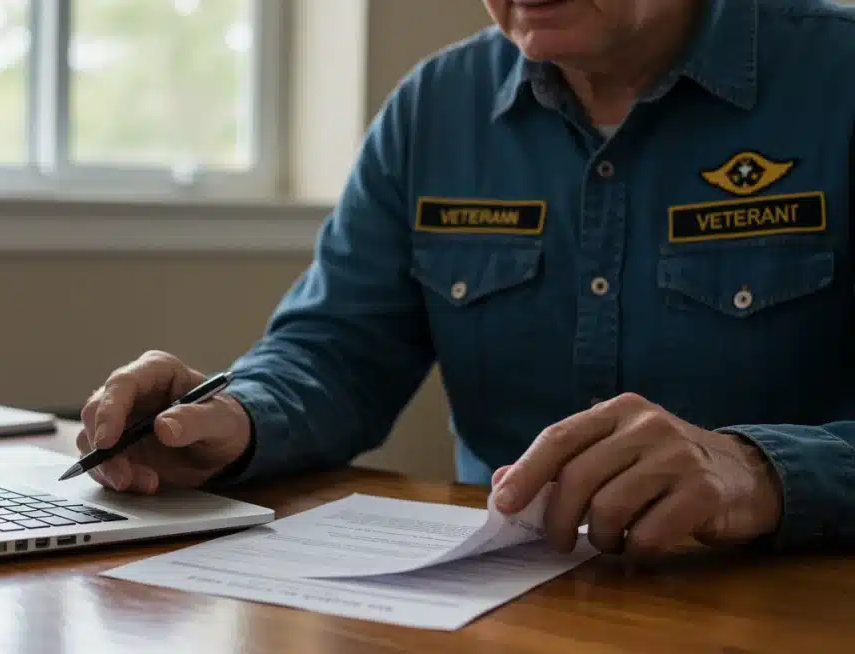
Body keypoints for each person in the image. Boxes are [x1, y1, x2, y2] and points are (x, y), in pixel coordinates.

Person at [76, 0, 855, 557]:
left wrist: (759, 472)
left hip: (791, 594)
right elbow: (336, 350)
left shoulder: (838, 74)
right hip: (501, 592)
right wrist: (232, 420)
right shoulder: (434, 107)